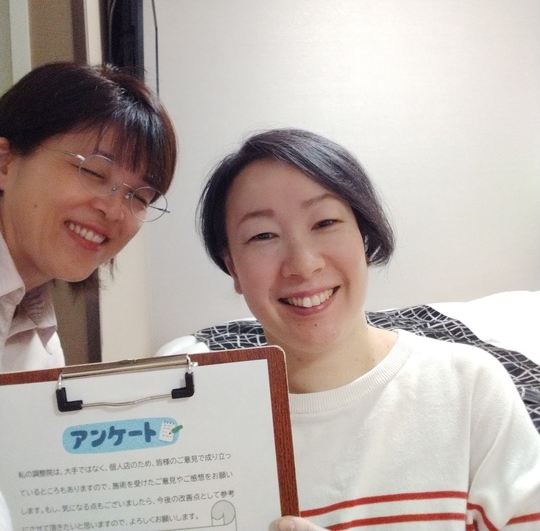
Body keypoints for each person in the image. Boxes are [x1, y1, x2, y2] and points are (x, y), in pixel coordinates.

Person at [197, 128, 540, 531]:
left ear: (364, 235)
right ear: (233, 268)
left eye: (325, 222)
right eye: (263, 235)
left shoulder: (468, 388)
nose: (303, 265)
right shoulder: (203, 419)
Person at [0, 61, 177, 373]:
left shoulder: (41, 350)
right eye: (94, 172)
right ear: (5, 163)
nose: (114, 210)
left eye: (139, 197)